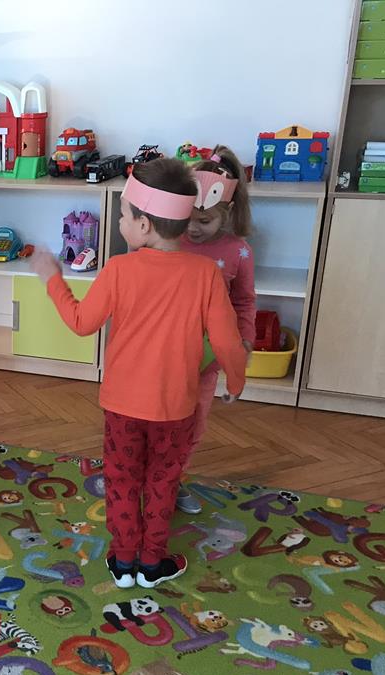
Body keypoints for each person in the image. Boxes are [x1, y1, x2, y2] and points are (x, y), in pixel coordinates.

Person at [31, 158, 247, 588]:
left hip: (122, 407)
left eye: (124, 216)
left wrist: (53, 279)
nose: (120, 223)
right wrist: (236, 383)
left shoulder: (118, 269)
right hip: (176, 408)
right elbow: (228, 343)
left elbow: (81, 322)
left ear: (145, 226)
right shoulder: (206, 274)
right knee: (163, 481)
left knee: (123, 480)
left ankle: (123, 559)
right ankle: (152, 564)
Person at [175, 146, 256, 514]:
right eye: (189, 217)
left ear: (227, 213)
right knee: (155, 419)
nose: (193, 227)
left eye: (205, 221)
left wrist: (245, 343)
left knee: (193, 425)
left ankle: (174, 479)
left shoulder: (238, 252)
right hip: (163, 352)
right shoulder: (169, 240)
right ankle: (148, 476)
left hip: (206, 359)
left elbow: (244, 302)